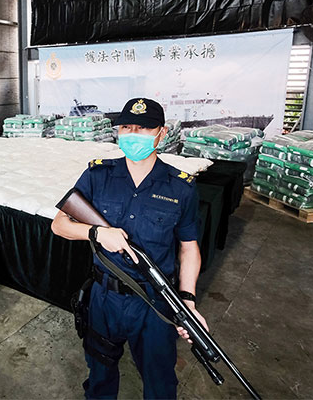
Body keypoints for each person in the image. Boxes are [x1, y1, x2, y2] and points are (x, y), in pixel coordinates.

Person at [51, 98, 207, 399]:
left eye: (143, 128)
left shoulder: (180, 187)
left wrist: (187, 301)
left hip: (154, 302)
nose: (133, 134)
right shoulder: (98, 175)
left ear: (161, 133)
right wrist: (96, 233)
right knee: (99, 376)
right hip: (104, 298)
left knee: (160, 383)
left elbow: (189, 248)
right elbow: (59, 225)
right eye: (126, 127)